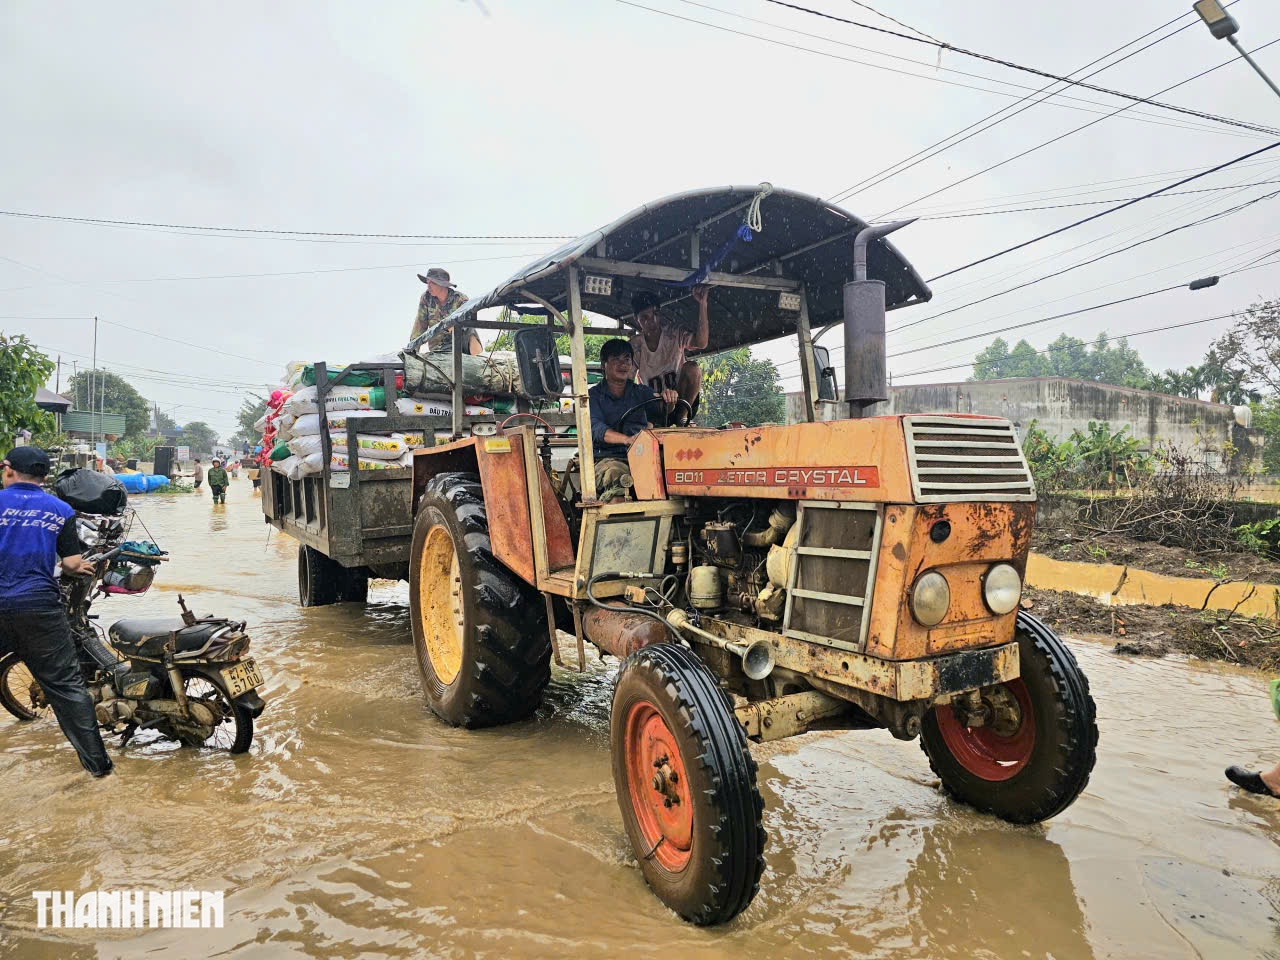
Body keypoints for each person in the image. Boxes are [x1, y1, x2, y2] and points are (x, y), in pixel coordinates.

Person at [0, 447, 113, 777]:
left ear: (8, 471)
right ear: (45, 478)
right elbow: (71, 564)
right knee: (66, 688)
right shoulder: (60, 509)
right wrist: (82, 565)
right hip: (39, 608)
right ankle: (100, 770)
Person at [588, 339, 676, 498]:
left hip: (643, 455)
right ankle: (620, 514)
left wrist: (669, 400)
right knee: (617, 477)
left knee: (674, 469)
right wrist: (628, 440)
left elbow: (663, 412)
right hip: (608, 457)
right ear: (604, 365)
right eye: (616, 359)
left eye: (627, 359)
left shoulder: (641, 392)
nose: (623, 364)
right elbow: (597, 429)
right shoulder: (593, 396)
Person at [629, 285, 709, 426]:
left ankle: (682, 419)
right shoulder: (635, 346)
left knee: (692, 368)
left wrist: (703, 304)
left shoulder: (674, 333)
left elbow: (701, 343)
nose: (652, 321)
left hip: (682, 400)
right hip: (654, 406)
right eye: (645, 317)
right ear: (637, 319)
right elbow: (628, 384)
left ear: (660, 314)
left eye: (655, 314)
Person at [410, 267, 481, 355]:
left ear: (442, 284)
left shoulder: (460, 299)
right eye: (428, 282)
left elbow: (469, 322)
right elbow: (420, 325)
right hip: (438, 348)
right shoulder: (426, 298)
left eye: (432, 283)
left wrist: (453, 325)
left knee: (469, 328)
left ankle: (476, 358)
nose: (429, 286)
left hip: (459, 345)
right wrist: (412, 350)